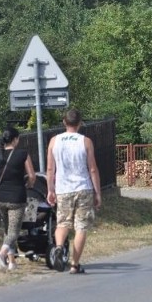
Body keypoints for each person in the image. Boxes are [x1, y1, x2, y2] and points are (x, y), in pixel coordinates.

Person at [46, 108, 102, 274]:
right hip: (83, 188)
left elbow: (50, 168)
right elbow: (92, 169)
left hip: (63, 189)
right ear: (80, 123)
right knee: (81, 226)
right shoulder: (85, 141)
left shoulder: (54, 141)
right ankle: (74, 264)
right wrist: (97, 192)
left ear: (64, 122)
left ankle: (58, 248)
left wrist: (50, 189)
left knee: (62, 223)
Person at [0, 126, 36, 271]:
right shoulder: (22, 154)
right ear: (15, 140)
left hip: (0, 199)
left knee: (8, 230)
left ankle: (12, 263)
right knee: (14, 231)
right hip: (16, 198)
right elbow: (32, 176)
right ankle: (2, 254)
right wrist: (29, 184)